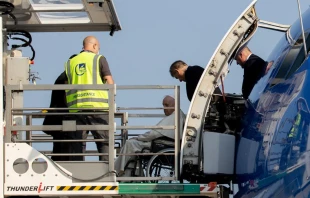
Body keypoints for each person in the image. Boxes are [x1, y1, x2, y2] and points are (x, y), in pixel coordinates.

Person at [64, 36, 115, 161]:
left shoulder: (70, 62)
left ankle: (76, 173)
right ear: (94, 46)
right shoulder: (99, 58)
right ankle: (106, 171)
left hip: (76, 110)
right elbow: (109, 81)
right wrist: (113, 102)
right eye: (98, 47)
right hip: (98, 108)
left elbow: (66, 84)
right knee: (104, 142)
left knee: (77, 143)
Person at [115, 95, 186, 176]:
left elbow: (154, 134)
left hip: (161, 145)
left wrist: (139, 138)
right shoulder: (180, 115)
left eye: (166, 105)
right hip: (165, 144)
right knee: (134, 145)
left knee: (130, 143)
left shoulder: (174, 117)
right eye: (163, 105)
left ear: (174, 105)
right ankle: (137, 174)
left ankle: (116, 171)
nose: (164, 108)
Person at [43, 54, 83, 161]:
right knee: (67, 150)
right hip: (64, 119)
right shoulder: (67, 77)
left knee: (60, 149)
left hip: (59, 118)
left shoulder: (63, 76)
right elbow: (66, 99)